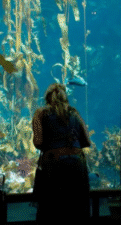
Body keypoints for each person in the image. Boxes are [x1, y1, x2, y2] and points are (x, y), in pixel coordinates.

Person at [32, 82, 93, 222]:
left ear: (47, 98)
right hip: (78, 165)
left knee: (52, 211)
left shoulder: (41, 113)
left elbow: (38, 142)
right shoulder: (74, 112)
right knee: (77, 210)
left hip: (54, 165)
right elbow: (87, 142)